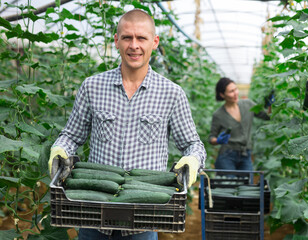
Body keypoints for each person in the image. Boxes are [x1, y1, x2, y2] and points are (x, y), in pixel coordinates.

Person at [48, 9, 206, 240]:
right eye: (127, 37)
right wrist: (60, 149)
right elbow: (72, 135)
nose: (134, 45)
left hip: (143, 221)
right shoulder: (92, 87)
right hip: (93, 215)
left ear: (154, 42)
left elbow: (193, 144)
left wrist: (192, 160)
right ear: (116, 41)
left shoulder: (172, 94)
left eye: (141, 38)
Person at [209, 77, 270, 172]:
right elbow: (211, 138)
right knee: (230, 184)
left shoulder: (248, 105)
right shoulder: (218, 114)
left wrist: (270, 103)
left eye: (236, 89)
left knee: (247, 185)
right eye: (231, 91)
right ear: (222, 94)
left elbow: (267, 116)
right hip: (227, 155)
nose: (235, 93)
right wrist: (218, 140)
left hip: (246, 154)